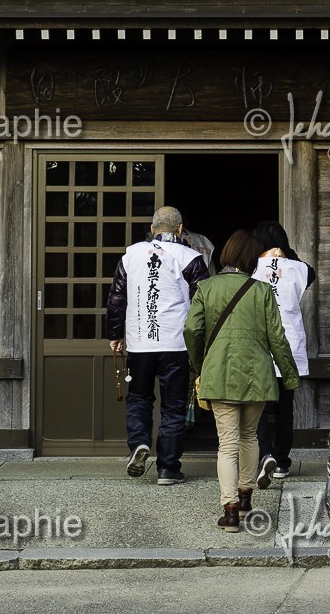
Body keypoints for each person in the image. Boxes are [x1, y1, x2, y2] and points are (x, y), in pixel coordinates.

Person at [185, 228, 299, 533]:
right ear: (251, 259)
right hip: (257, 374)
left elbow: (192, 330)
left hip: (220, 373)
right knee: (250, 437)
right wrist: (289, 376)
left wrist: (200, 364)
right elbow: (278, 338)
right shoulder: (261, 291)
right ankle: (246, 497)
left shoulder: (206, 287)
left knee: (227, 444)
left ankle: (230, 510)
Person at [104, 206, 208, 485]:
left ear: (152, 229)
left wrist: (115, 334)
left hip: (140, 343)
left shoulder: (131, 254)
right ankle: (167, 469)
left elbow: (116, 298)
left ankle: (139, 442)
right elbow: (202, 302)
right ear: (180, 229)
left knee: (139, 398)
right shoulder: (190, 257)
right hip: (176, 343)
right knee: (173, 406)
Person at [249, 220, 315, 486]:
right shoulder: (299, 269)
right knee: (285, 408)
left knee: (259, 407)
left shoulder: (251, 267)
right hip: (289, 345)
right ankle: (282, 463)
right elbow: (310, 272)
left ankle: (265, 455)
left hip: (260, 344)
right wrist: (286, 252)